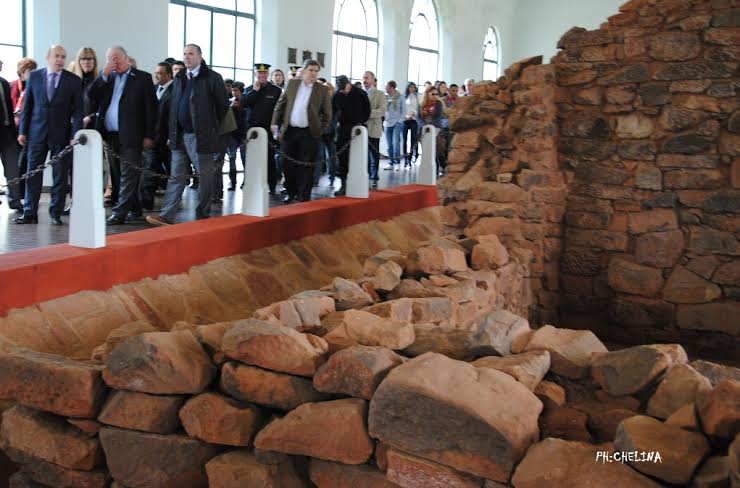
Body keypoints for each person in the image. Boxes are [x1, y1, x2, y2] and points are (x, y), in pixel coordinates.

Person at [147, 43, 228, 226]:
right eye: (184, 54)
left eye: (190, 54)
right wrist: (171, 133)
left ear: (200, 56)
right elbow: (174, 106)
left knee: (204, 175)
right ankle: (166, 215)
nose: (186, 57)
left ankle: (203, 213)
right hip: (179, 135)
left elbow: (222, 107)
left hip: (201, 136)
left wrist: (210, 128)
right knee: (176, 176)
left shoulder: (212, 77)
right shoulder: (180, 77)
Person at [15, 45, 82, 225]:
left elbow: (78, 111)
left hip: (62, 135)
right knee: (32, 174)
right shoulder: (35, 76)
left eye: (63, 56)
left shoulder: (73, 80)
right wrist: (22, 131)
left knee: (60, 176)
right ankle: (29, 213)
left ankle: (56, 213)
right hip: (36, 134)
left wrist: (75, 134)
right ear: (48, 57)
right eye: (57, 56)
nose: (60, 60)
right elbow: (27, 107)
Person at [90, 45, 157, 225]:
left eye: (117, 59)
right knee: (118, 174)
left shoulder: (142, 78)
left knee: (129, 174)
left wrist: (149, 135)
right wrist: (103, 76)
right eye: (110, 60)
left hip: (132, 135)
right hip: (110, 135)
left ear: (126, 59)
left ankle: (119, 213)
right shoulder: (107, 78)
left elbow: (151, 109)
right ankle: (135, 208)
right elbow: (91, 95)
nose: (114, 63)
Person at [270, 59, 332, 203]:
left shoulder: (321, 89)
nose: (313, 74)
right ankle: (291, 192)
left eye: (316, 71)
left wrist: (319, 129)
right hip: (290, 131)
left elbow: (327, 114)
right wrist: (274, 123)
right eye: (311, 70)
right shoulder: (292, 84)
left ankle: (303, 195)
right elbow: (280, 105)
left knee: (306, 166)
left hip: (309, 133)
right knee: (286, 163)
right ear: (303, 71)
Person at [139, 61, 174, 210]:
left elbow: (174, 116)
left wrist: (171, 137)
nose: (156, 76)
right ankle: (146, 203)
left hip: (168, 140)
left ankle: (171, 204)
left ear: (169, 75)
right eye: (156, 73)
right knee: (149, 171)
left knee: (173, 171)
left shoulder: (175, 90)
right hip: (154, 138)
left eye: (160, 73)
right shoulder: (153, 89)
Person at [243, 62, 282, 195]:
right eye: (259, 73)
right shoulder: (249, 89)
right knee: (253, 159)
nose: (262, 75)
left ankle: (271, 186)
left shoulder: (275, 90)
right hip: (252, 131)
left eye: (264, 73)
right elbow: (244, 103)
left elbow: (279, 110)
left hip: (268, 130)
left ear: (268, 74)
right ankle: (253, 184)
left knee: (269, 160)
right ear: (256, 74)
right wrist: (255, 91)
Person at [332, 75, 369, 196]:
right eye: (340, 89)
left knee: (358, 157)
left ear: (348, 84)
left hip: (358, 129)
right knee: (342, 158)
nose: (343, 91)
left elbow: (367, 111)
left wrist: (360, 123)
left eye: (344, 88)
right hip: (342, 129)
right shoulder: (337, 95)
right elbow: (332, 112)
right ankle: (344, 184)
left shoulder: (360, 93)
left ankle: (359, 183)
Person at [9, 57, 37, 204]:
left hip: (28, 130)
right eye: (28, 70)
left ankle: (25, 194)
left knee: (25, 162)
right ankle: (15, 194)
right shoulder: (12, 85)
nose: (31, 73)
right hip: (12, 129)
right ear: (21, 71)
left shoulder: (36, 86)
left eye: (33, 70)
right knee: (14, 162)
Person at [0, 58, 22, 211]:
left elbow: (9, 107)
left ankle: (15, 201)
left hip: (7, 132)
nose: (2, 64)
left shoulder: (4, 83)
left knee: (13, 168)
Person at [362, 71, 385, 188]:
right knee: (363, 154)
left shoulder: (380, 94)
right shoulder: (361, 93)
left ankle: (374, 175)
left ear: (372, 80)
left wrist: (367, 113)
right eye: (363, 78)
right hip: (362, 128)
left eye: (366, 78)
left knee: (374, 153)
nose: (364, 80)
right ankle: (365, 175)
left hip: (374, 127)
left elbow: (382, 110)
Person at [419, 84, 446, 175]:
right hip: (424, 129)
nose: (435, 96)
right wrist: (424, 126)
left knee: (435, 150)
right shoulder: (422, 104)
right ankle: (427, 170)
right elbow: (419, 118)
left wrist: (430, 126)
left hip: (435, 128)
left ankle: (437, 169)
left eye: (436, 94)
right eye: (433, 94)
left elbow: (438, 117)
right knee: (426, 150)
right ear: (427, 94)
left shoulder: (438, 103)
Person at [226, 81, 247, 191]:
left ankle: (246, 181)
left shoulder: (246, 102)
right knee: (232, 159)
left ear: (241, 91)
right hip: (232, 134)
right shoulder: (230, 102)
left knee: (244, 159)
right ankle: (232, 182)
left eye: (236, 90)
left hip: (243, 134)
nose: (234, 93)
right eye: (233, 90)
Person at [383, 80, 404, 171]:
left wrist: (399, 121)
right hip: (387, 123)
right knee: (389, 145)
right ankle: (390, 162)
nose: (385, 88)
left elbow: (404, 111)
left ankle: (397, 162)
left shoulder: (400, 97)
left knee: (396, 143)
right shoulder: (384, 97)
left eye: (387, 86)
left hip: (396, 123)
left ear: (392, 87)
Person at [402, 81, 420, 168]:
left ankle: (411, 157)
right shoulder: (404, 97)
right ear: (408, 88)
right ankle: (405, 159)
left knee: (413, 140)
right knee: (404, 140)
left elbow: (419, 108)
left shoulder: (417, 97)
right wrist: (406, 116)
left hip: (414, 120)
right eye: (410, 87)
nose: (412, 89)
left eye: (413, 87)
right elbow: (402, 109)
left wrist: (413, 114)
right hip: (405, 120)